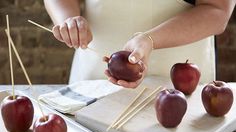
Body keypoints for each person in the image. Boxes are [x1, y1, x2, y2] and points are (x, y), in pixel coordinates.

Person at [44, 0, 235, 88]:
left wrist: (149, 40)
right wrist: (69, 19)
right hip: (92, 80)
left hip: (179, 85)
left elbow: (217, 10)